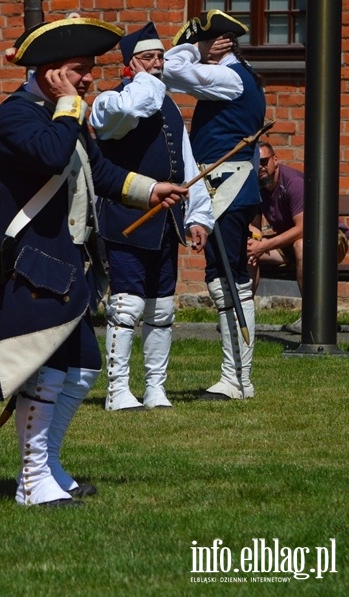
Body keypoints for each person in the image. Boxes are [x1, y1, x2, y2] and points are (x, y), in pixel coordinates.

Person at [0, 17, 185, 508]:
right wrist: (69, 105)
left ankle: (48, 466)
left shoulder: (65, 115)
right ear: (50, 74)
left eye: (88, 70)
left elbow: (99, 168)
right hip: (29, 261)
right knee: (45, 372)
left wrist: (150, 190)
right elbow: (51, 155)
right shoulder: (17, 116)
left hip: (65, 263)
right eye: (78, 70)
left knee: (83, 370)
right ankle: (30, 482)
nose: (89, 78)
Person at [89, 23, 214, 411]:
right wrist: (146, 81)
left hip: (167, 218)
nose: (157, 64)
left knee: (161, 308)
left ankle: (156, 387)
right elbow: (129, 110)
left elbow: (186, 162)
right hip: (126, 214)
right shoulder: (112, 102)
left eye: (160, 57)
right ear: (129, 65)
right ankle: (118, 389)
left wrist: (199, 216)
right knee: (127, 306)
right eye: (148, 58)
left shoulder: (168, 103)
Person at [163, 9, 265, 400]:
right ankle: (234, 376)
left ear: (218, 43)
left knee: (231, 280)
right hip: (223, 186)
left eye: (206, 41)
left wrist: (193, 48)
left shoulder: (226, 76)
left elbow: (170, 70)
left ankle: (238, 379)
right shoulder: (239, 73)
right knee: (224, 279)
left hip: (228, 186)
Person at [248, 141, 349, 334]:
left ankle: (313, 318)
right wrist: (254, 238)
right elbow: (256, 228)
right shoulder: (258, 187)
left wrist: (266, 243)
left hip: (330, 238)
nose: (259, 167)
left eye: (263, 161)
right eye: (255, 163)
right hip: (291, 242)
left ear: (275, 160)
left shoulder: (293, 183)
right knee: (250, 249)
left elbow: (304, 229)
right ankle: (243, 314)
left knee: (302, 245)